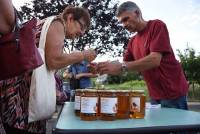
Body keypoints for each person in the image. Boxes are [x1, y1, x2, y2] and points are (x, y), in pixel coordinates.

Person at [0, 3, 96, 134]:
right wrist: (83, 55)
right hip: (25, 104)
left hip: (16, 98)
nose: (82, 32)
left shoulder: (44, 23)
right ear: (70, 18)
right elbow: (54, 61)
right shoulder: (58, 23)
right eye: (82, 26)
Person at [98, 1, 189, 110]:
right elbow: (123, 66)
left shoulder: (157, 26)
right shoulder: (132, 41)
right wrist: (103, 68)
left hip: (173, 91)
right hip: (154, 94)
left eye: (126, 19)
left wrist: (122, 66)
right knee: (159, 127)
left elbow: (155, 60)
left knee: (176, 127)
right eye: (121, 22)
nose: (124, 25)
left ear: (137, 13)